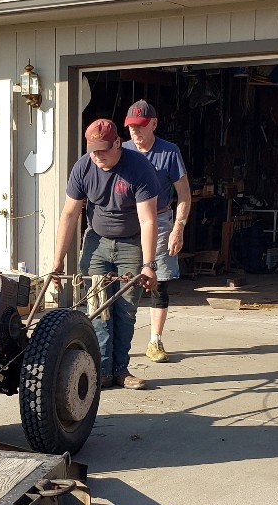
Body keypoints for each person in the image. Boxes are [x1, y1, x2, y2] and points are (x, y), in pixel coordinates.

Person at [52, 119, 159, 390]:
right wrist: (57, 260)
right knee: (96, 308)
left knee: (125, 311)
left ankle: (121, 370)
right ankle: (101, 370)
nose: (98, 156)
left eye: (103, 150)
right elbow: (69, 214)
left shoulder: (139, 167)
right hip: (96, 242)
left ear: (117, 143)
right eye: (93, 150)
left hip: (130, 243)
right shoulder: (83, 167)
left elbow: (148, 220)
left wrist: (149, 264)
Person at [123, 100, 191, 363]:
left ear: (153, 123)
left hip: (161, 220)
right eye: (131, 127)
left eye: (140, 126)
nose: (135, 132)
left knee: (158, 281)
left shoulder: (169, 152)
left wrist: (179, 228)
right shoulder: (122, 150)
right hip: (128, 221)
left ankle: (155, 341)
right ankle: (116, 343)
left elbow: (184, 194)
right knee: (123, 281)